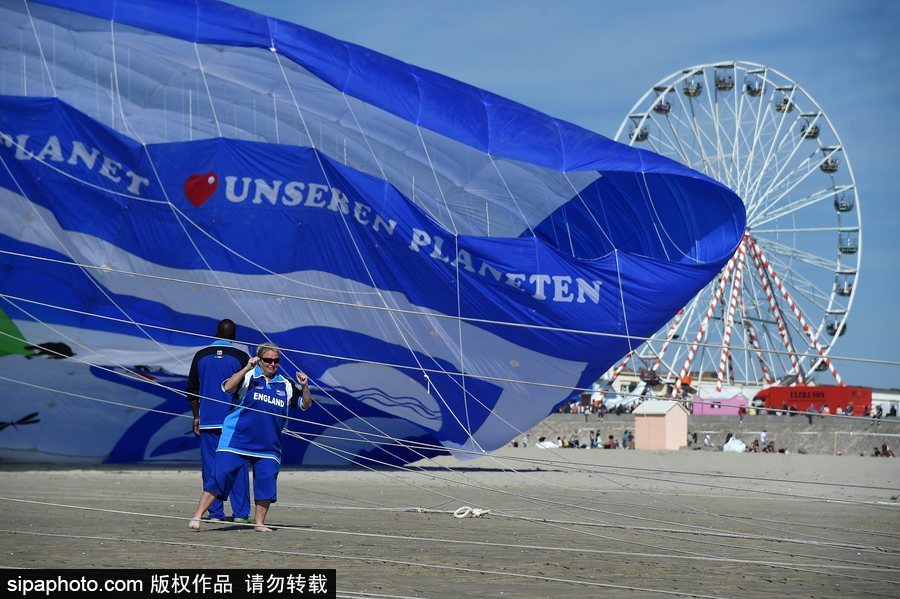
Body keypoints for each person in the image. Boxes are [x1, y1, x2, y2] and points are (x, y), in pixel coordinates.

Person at [189, 343, 313, 532]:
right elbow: (228, 387)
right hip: (237, 440)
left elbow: (305, 405)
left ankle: (259, 524)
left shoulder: (285, 384)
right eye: (268, 360)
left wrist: (304, 387)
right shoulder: (248, 376)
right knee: (220, 476)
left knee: (266, 481)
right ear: (260, 360)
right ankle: (197, 516)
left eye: (276, 361)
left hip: (268, 446)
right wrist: (247, 367)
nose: (272, 364)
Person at [186, 319, 251, 524]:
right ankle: (240, 514)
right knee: (237, 466)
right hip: (234, 422)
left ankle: (215, 513)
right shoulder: (241, 356)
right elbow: (249, 390)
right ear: (234, 336)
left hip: (208, 420)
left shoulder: (201, 355)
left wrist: (196, 416)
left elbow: (192, 392)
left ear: (216, 333)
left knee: (210, 466)